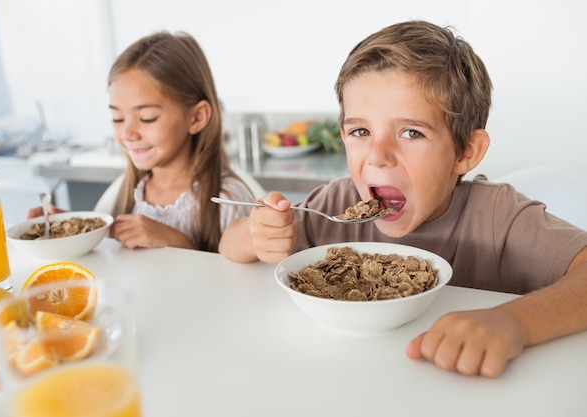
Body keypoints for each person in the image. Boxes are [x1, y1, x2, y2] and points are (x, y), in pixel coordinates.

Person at [218, 20, 587, 377]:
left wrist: (513, 322)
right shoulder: (334, 205)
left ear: (466, 152)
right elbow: (229, 247)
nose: (378, 155)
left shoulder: (497, 217)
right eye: (361, 130)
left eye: (411, 132)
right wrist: (255, 232)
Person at [29, 31, 255, 252]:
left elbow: (238, 284)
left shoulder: (229, 201)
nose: (127, 133)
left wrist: (176, 242)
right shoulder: (131, 191)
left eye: (147, 118)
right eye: (117, 118)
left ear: (196, 117)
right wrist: (71, 227)